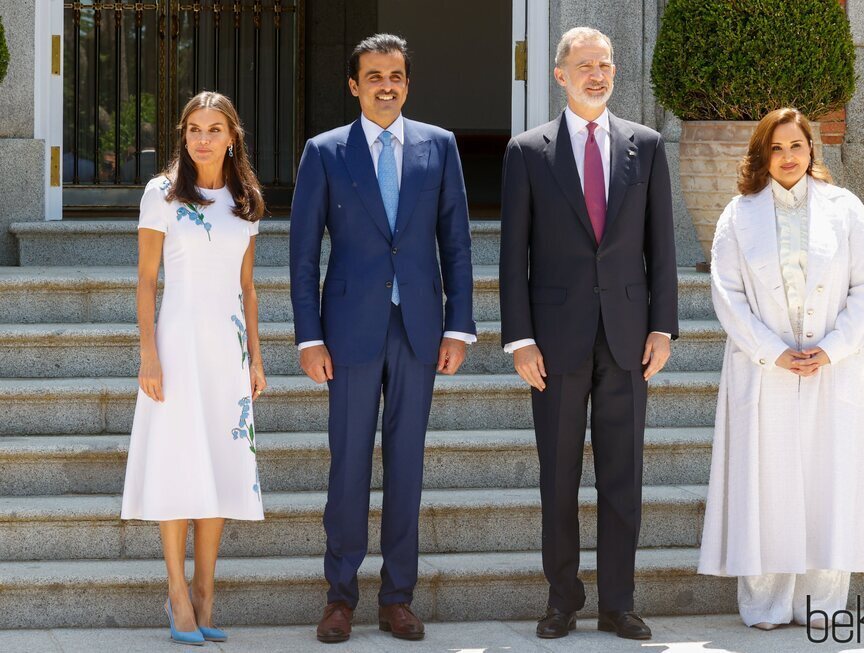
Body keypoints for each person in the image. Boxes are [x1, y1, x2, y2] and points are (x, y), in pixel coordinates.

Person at [289, 33, 476, 644]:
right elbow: (300, 254)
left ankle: (398, 597)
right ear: (354, 84)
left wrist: (458, 324)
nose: (386, 86)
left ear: (407, 82)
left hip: (419, 329)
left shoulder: (439, 147)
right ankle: (339, 597)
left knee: (407, 468)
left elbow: (457, 242)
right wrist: (308, 338)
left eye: (395, 75)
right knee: (347, 467)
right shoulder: (324, 152)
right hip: (347, 333)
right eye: (373, 77)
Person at [499, 27, 679, 641]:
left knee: (623, 475)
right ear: (559, 75)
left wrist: (663, 327)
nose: (596, 75)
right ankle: (562, 600)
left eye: (604, 64)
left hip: (629, 336)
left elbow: (662, 246)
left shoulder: (646, 146)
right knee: (558, 476)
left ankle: (618, 602)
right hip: (553, 341)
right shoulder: (528, 151)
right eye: (584, 65)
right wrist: (519, 338)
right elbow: (513, 252)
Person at [697, 107, 864, 630]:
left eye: (795, 146)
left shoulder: (846, 209)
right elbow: (727, 293)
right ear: (762, 154)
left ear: (811, 150)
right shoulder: (739, 214)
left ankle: (821, 603)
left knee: (829, 483)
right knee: (767, 484)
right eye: (775, 148)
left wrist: (834, 347)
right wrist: (771, 350)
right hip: (766, 369)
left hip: (831, 367)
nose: (787, 157)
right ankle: (767, 603)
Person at [121, 91, 267, 646]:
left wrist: (255, 356)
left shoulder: (246, 198)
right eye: (193, 129)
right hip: (177, 347)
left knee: (221, 466)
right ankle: (178, 594)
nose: (203, 139)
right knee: (179, 465)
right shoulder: (160, 194)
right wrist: (149, 354)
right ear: (182, 136)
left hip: (227, 353)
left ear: (232, 137)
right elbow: (145, 279)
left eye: (214, 129)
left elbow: (248, 287)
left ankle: (206, 590)